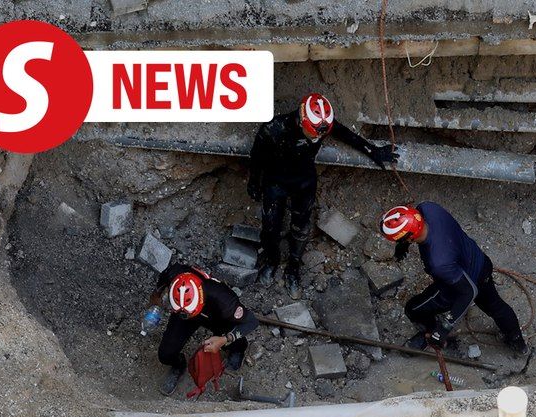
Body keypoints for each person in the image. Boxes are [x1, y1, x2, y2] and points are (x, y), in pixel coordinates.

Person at [248, 92, 398, 298]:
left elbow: (345, 134)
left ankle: (293, 270)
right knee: (270, 226)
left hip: (304, 181)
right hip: (276, 181)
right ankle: (271, 261)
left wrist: (373, 151)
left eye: (320, 135)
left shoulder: (321, 125)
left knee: (301, 227)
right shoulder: (274, 129)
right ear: (302, 121)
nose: (317, 138)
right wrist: (254, 182)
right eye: (314, 135)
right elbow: (256, 157)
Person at [378, 203, 528, 355]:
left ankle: (433, 335)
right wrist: (404, 244)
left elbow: (469, 292)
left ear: (409, 238)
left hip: (459, 285)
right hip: (480, 263)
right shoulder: (428, 208)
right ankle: (517, 342)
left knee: (413, 309)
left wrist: (444, 327)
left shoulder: (438, 261)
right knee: (496, 306)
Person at [151, 264, 258, 396]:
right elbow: (164, 276)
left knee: (234, 338)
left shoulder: (224, 300)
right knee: (165, 354)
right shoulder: (175, 276)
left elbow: (252, 321)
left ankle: (237, 350)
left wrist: (224, 339)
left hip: (214, 316)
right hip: (183, 314)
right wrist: (156, 294)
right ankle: (179, 365)